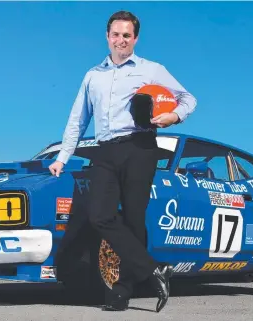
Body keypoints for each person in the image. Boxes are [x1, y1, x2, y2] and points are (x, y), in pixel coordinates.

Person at [49, 10, 197, 312]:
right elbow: (78, 120)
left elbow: (189, 99)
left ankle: (121, 292)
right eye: (115, 35)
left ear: (135, 38)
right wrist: (63, 157)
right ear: (107, 36)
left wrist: (173, 116)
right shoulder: (93, 76)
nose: (121, 40)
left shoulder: (151, 70)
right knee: (99, 215)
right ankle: (152, 270)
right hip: (105, 149)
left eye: (126, 35)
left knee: (133, 218)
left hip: (140, 147)